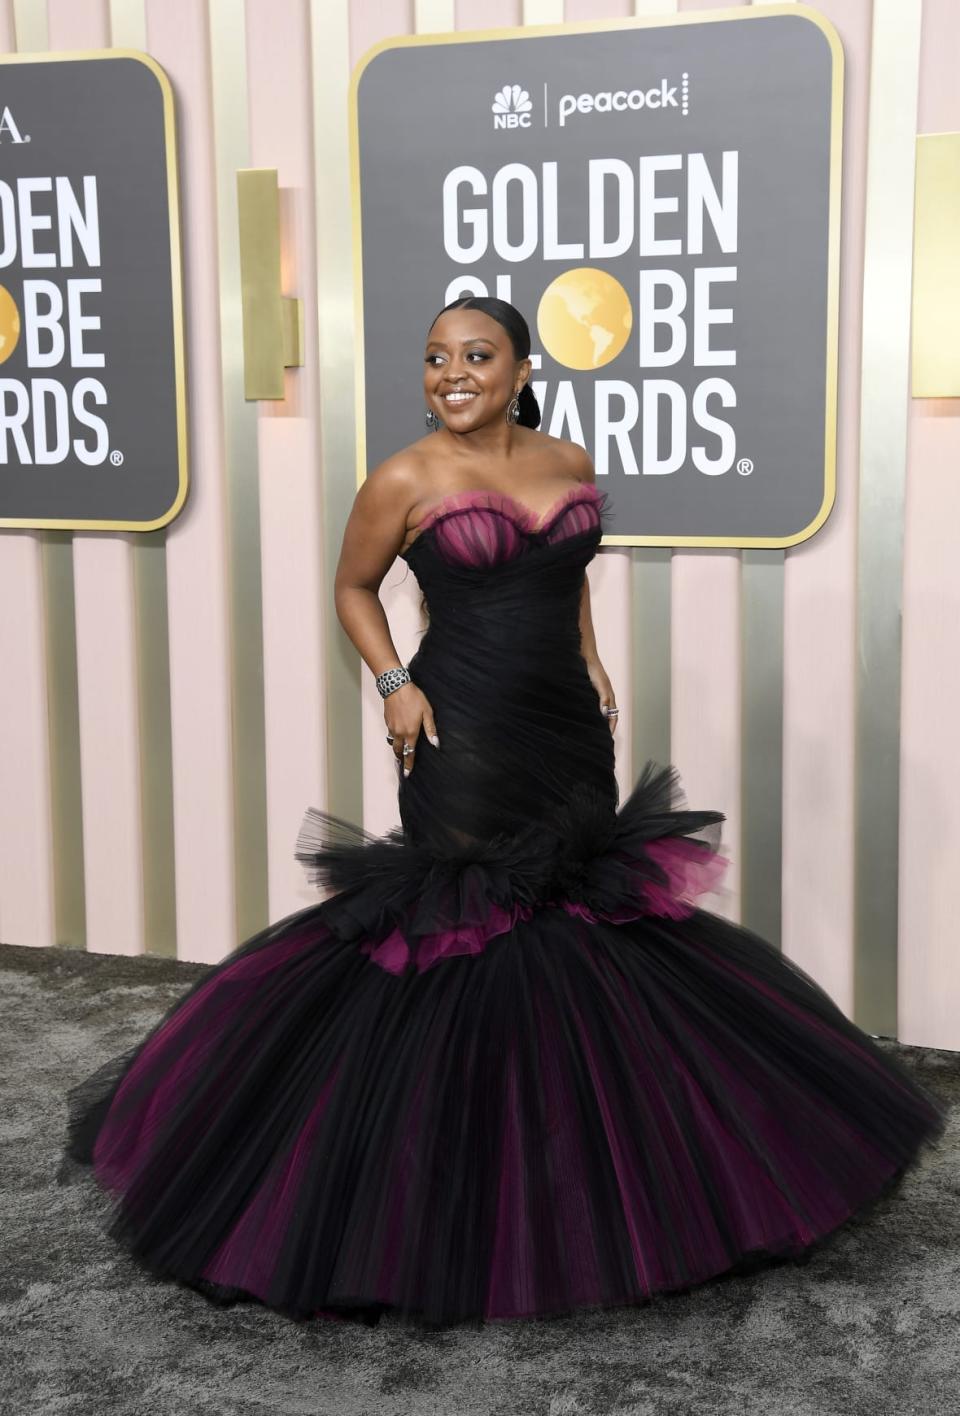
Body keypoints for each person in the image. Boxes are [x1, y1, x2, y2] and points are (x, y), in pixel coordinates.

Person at [60, 296, 947, 1330]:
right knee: (468, 918)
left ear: (524, 367)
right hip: (462, 723)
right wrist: (395, 680)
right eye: (435, 359)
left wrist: (591, 655)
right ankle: (451, 1182)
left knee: (580, 903)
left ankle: (586, 1158)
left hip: (565, 721)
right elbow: (353, 587)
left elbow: (566, 577)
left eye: (476, 356)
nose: (451, 375)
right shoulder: (402, 477)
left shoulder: (568, 461)